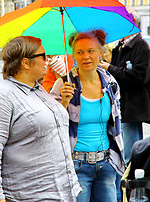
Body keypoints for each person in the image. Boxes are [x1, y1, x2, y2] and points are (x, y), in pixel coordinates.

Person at [0, 36, 82, 202]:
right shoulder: (2, 96)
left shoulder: (38, 89)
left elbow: (45, 127)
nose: (48, 60)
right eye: (43, 56)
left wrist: (65, 102)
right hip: (30, 195)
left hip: (62, 191)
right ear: (26, 63)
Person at [50, 30, 125, 202]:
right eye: (80, 52)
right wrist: (64, 102)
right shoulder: (64, 84)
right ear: (73, 55)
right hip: (76, 166)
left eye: (91, 51)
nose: (86, 56)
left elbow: (116, 124)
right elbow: (50, 124)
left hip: (107, 164)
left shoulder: (111, 83)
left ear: (100, 53)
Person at [99, 11, 150, 165]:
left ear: (131, 22)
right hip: (122, 105)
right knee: (123, 148)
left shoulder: (141, 46)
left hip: (132, 107)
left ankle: (132, 180)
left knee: (131, 150)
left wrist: (110, 68)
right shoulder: (120, 45)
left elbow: (139, 77)